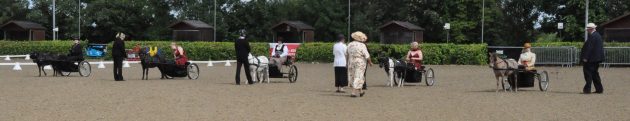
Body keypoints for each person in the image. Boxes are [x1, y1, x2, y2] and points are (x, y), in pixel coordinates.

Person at [581, 23, 605, 94]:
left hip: (591, 59)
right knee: (595, 74)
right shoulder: (598, 35)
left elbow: (589, 48)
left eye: (588, 30)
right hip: (596, 59)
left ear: (590, 29)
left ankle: (587, 89)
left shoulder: (593, 36)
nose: (587, 31)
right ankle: (599, 89)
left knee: (588, 74)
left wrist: (585, 57)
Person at [346, 31, 372, 97]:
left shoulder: (349, 44)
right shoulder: (362, 45)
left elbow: (347, 54)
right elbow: (367, 55)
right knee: (358, 76)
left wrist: (347, 62)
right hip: (360, 62)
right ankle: (353, 92)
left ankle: (361, 91)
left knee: (353, 75)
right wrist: (370, 62)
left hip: (351, 61)